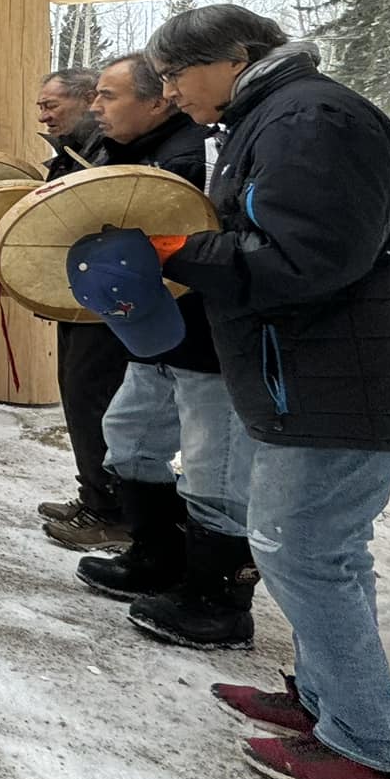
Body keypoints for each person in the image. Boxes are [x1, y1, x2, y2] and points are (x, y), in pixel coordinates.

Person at [149, 5, 390, 779]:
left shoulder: (310, 118)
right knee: (309, 550)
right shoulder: (276, 116)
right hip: (313, 375)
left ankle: (372, 748)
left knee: (307, 551)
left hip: (339, 380)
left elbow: (308, 257)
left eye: (176, 75)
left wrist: (178, 250)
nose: (169, 93)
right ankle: (324, 700)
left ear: (234, 57)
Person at [70, 54, 258, 649]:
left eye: (108, 95)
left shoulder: (192, 157)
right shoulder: (126, 153)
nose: (95, 106)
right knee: (129, 437)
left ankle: (219, 599)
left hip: (209, 340)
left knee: (217, 469)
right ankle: (156, 556)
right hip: (156, 335)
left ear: (157, 102)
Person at [34, 64, 132, 549]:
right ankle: (95, 494)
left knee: (94, 398)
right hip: (80, 295)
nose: (43, 115)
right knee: (78, 394)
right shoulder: (74, 153)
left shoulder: (109, 150)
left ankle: (112, 509)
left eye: (51, 105)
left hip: (107, 298)